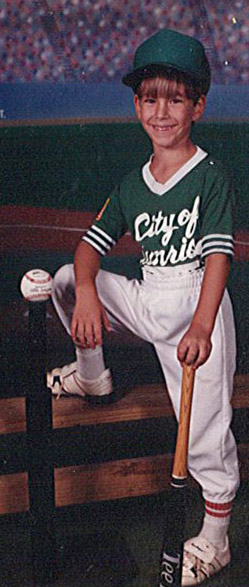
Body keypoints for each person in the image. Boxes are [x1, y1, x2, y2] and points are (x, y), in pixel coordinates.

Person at [47, 29, 240, 585]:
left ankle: (216, 539)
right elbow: (88, 250)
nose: (161, 110)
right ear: (136, 105)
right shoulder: (132, 185)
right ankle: (93, 376)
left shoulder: (209, 176)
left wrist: (203, 326)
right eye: (150, 97)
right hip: (150, 296)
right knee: (64, 279)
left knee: (203, 435)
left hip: (195, 307)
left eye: (175, 98)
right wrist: (87, 289)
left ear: (198, 106)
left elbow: (220, 259)